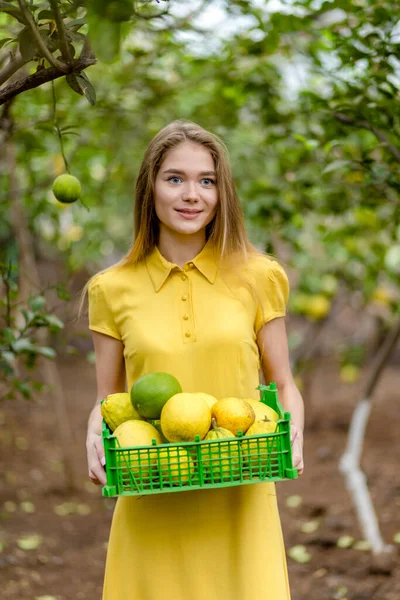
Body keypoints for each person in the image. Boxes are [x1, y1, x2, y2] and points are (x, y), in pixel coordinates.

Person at [85, 120, 304, 600]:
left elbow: (283, 383)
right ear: (150, 188)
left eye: (206, 181)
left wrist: (294, 427)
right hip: (152, 489)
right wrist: (92, 430)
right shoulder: (111, 288)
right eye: (175, 178)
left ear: (221, 194)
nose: (192, 195)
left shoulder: (258, 276)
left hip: (240, 491)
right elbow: (108, 397)